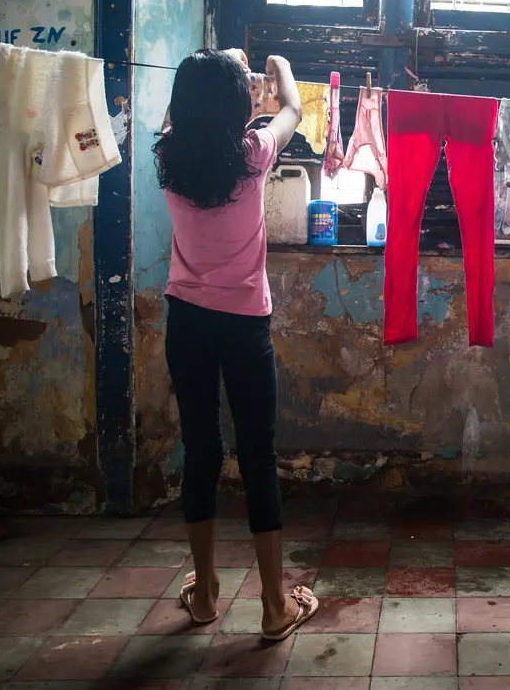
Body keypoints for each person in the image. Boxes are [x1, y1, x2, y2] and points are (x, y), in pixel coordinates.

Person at [153, 49, 318, 641]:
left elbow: (184, 110)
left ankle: (206, 593)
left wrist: (224, 66)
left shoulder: (167, 153)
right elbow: (295, 109)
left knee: (200, 450)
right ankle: (275, 606)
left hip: (187, 321)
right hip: (245, 323)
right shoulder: (251, 155)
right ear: (236, 104)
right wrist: (274, 67)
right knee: (257, 456)